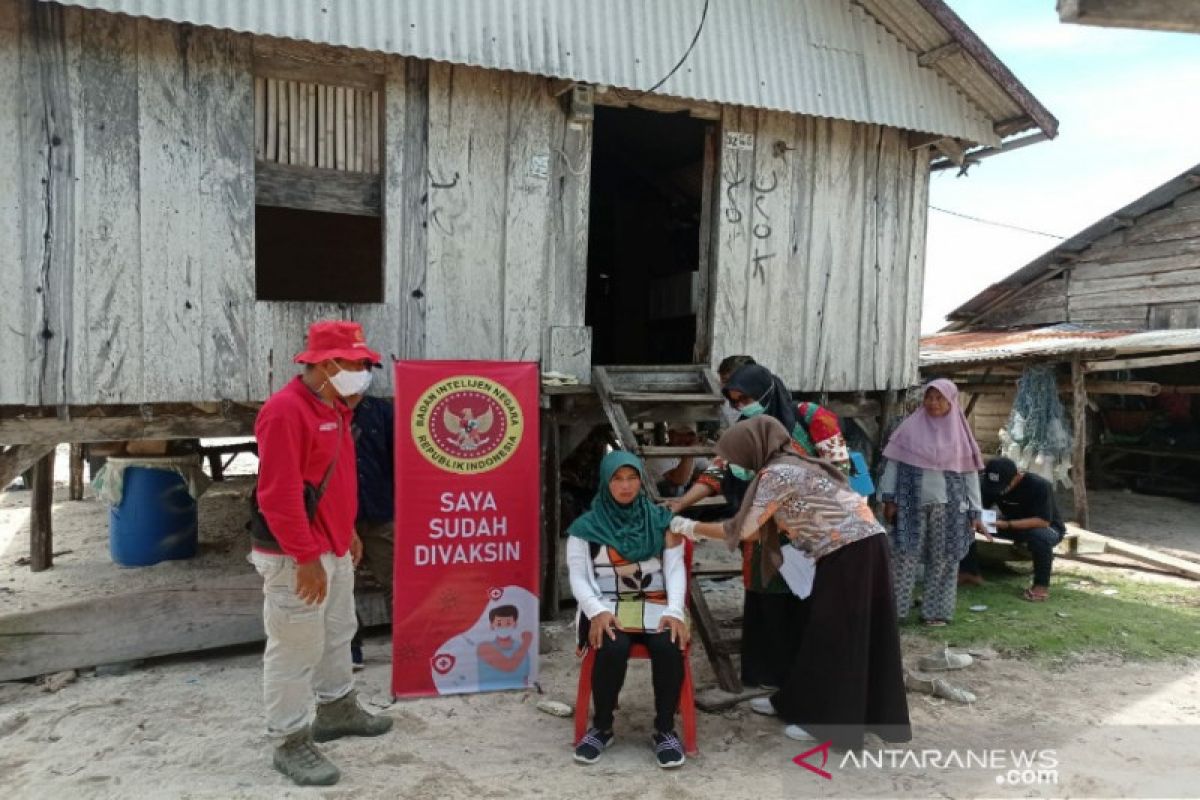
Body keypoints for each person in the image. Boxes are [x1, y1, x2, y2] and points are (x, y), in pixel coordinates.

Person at [673, 416, 911, 749]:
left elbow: (743, 531)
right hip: (859, 549)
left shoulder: (777, 473)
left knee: (835, 637)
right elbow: (755, 531)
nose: (737, 465)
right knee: (827, 632)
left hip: (850, 552)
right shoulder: (795, 463)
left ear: (753, 448)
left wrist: (685, 526)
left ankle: (831, 724)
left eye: (738, 456)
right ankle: (796, 702)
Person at [251, 320, 393, 787]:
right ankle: (290, 740)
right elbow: (279, 494)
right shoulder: (285, 411)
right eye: (357, 363)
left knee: (336, 631)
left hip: (331, 543)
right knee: (295, 647)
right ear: (327, 364)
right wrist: (306, 556)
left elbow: (330, 482)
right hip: (298, 553)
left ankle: (336, 709)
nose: (364, 371)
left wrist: (346, 529)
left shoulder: (335, 407)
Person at [567, 451, 690, 769]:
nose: (625, 486)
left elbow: (675, 569)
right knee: (612, 645)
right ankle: (602, 727)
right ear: (606, 483)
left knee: (668, 644)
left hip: (657, 603)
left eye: (632, 478)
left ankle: (664, 730)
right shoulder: (585, 527)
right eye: (617, 479)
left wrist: (675, 610)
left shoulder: (662, 522)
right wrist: (596, 611)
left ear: (641, 480)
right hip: (605, 606)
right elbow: (578, 577)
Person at [879, 379, 988, 627]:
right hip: (909, 504)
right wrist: (889, 499)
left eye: (939, 398)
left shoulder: (961, 435)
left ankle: (936, 612)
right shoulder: (909, 428)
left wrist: (974, 511)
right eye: (929, 397)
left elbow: (969, 474)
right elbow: (893, 465)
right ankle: (894, 612)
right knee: (903, 556)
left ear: (951, 401)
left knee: (944, 558)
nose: (933, 403)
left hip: (950, 508)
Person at [961, 457, 1066, 602]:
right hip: (1008, 524)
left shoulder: (1039, 485)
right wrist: (978, 521)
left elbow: (1043, 521)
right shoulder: (989, 485)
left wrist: (1008, 524)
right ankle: (969, 572)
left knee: (1039, 536)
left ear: (1017, 476)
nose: (1000, 491)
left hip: (1045, 527)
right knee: (965, 522)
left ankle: (1040, 586)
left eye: (1005, 486)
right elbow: (979, 509)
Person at [347, 394, 395, 669]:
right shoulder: (324, 411)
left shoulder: (381, 412)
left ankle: (404, 645)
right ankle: (350, 648)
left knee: (395, 581)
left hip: (381, 512)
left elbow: (399, 460)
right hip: (339, 516)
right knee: (342, 587)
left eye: (364, 367)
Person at [644, 421, 709, 499]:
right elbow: (679, 480)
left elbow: (711, 472)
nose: (685, 438)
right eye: (680, 434)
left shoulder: (696, 454)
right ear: (670, 435)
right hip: (661, 505)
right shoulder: (657, 456)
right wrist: (690, 451)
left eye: (690, 434)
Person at [476, 605, 535, 688]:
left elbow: (525, 674)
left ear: (515, 624)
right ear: (492, 625)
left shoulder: (519, 646)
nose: (504, 627)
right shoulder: (484, 647)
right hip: (490, 693)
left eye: (508, 623)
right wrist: (526, 642)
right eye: (499, 623)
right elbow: (509, 666)